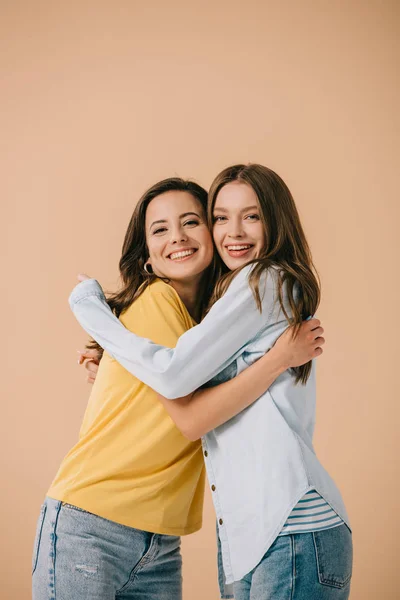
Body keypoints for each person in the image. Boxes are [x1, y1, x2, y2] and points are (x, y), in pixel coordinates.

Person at [69, 164, 353, 600]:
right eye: (221, 217)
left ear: (276, 221)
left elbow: (175, 376)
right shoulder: (228, 299)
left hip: (289, 524)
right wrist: (117, 361)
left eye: (252, 216)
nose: (233, 232)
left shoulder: (263, 280)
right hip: (251, 533)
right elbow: (189, 376)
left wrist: (93, 312)